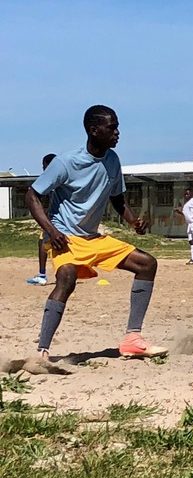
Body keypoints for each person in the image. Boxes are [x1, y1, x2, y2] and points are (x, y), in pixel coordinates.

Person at [25, 105, 167, 360]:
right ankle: (42, 354)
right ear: (94, 130)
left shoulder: (112, 160)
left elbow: (118, 199)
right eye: (112, 127)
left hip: (93, 237)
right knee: (66, 279)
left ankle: (133, 339)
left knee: (147, 264)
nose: (117, 133)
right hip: (65, 238)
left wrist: (134, 222)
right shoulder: (65, 162)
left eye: (117, 127)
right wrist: (51, 230)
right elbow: (32, 195)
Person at [26, 153, 56, 286]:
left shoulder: (50, 179)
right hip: (58, 218)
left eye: (44, 166)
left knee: (43, 243)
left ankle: (42, 275)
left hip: (54, 219)